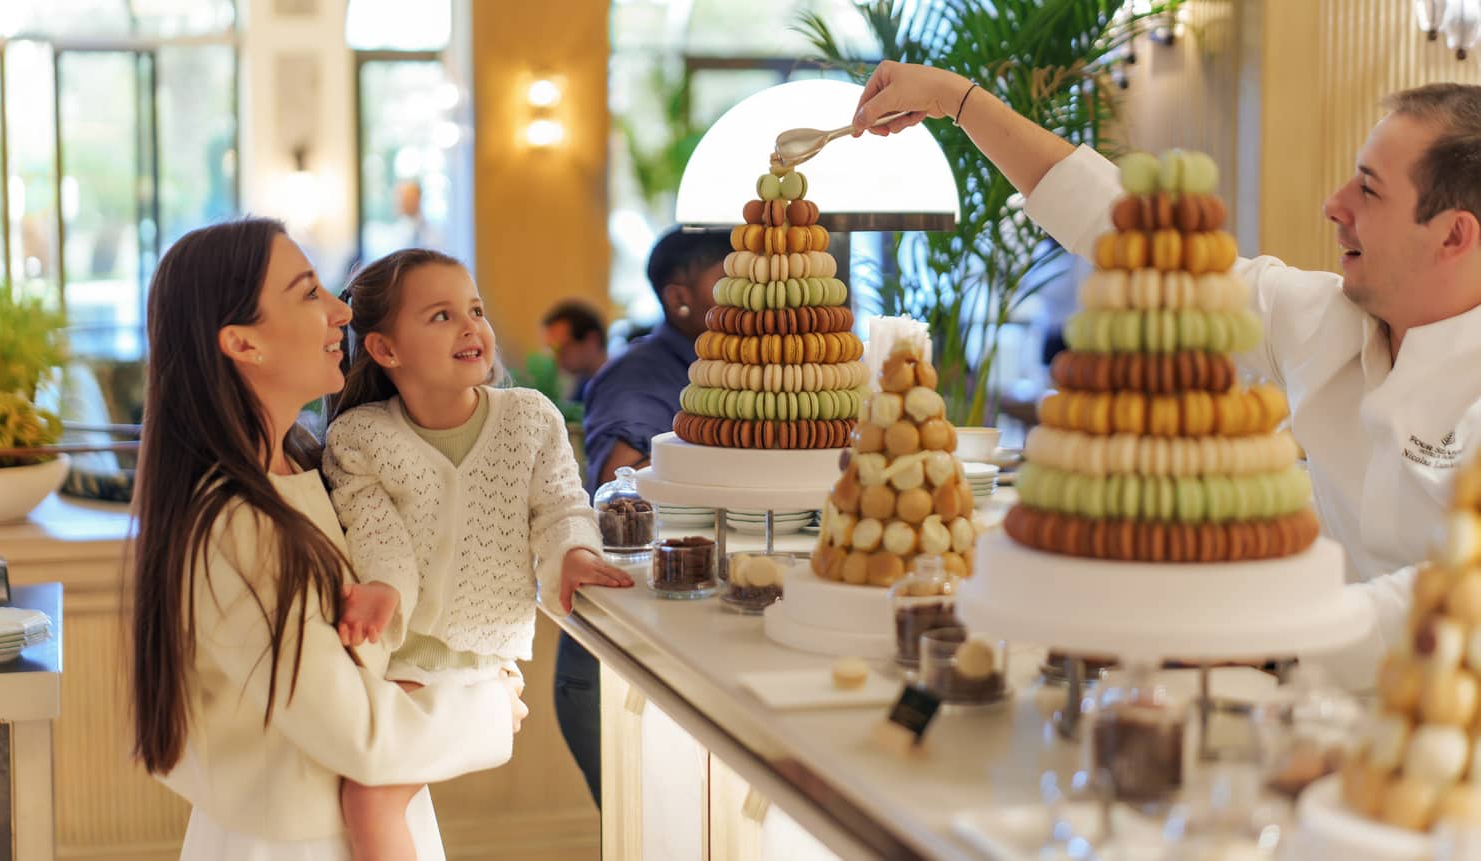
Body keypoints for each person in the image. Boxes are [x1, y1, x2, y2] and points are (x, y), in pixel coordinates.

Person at [850, 62, 1481, 687]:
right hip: (1299, 700)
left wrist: (1265, 631)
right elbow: (1119, 227)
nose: (1333, 204)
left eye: (1368, 190)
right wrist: (957, 99)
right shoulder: (1326, 319)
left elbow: (1456, 595)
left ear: (1454, 235)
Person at [130, 218, 528, 860]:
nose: (340, 310)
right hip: (295, 843)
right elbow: (357, 732)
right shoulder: (234, 521)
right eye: (308, 292)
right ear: (242, 343)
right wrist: (488, 705)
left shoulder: (309, 467)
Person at [321, 248, 635, 857]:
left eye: (476, 309)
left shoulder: (529, 419)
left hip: (484, 664)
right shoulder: (359, 438)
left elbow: (562, 508)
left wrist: (572, 553)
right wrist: (384, 592)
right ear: (385, 350)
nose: (471, 328)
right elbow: (374, 536)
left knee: (369, 797)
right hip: (402, 664)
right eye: (440, 316)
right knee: (366, 797)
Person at [553, 227, 731, 806]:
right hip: (621, 663)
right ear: (680, 299)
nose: (752, 291)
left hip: (697, 650)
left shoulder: (748, 374)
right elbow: (620, 482)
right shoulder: (639, 378)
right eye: (731, 278)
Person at [540, 299, 609, 403]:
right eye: (552, 350)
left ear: (591, 341)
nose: (556, 358)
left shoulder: (617, 387)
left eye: (562, 348)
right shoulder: (580, 387)